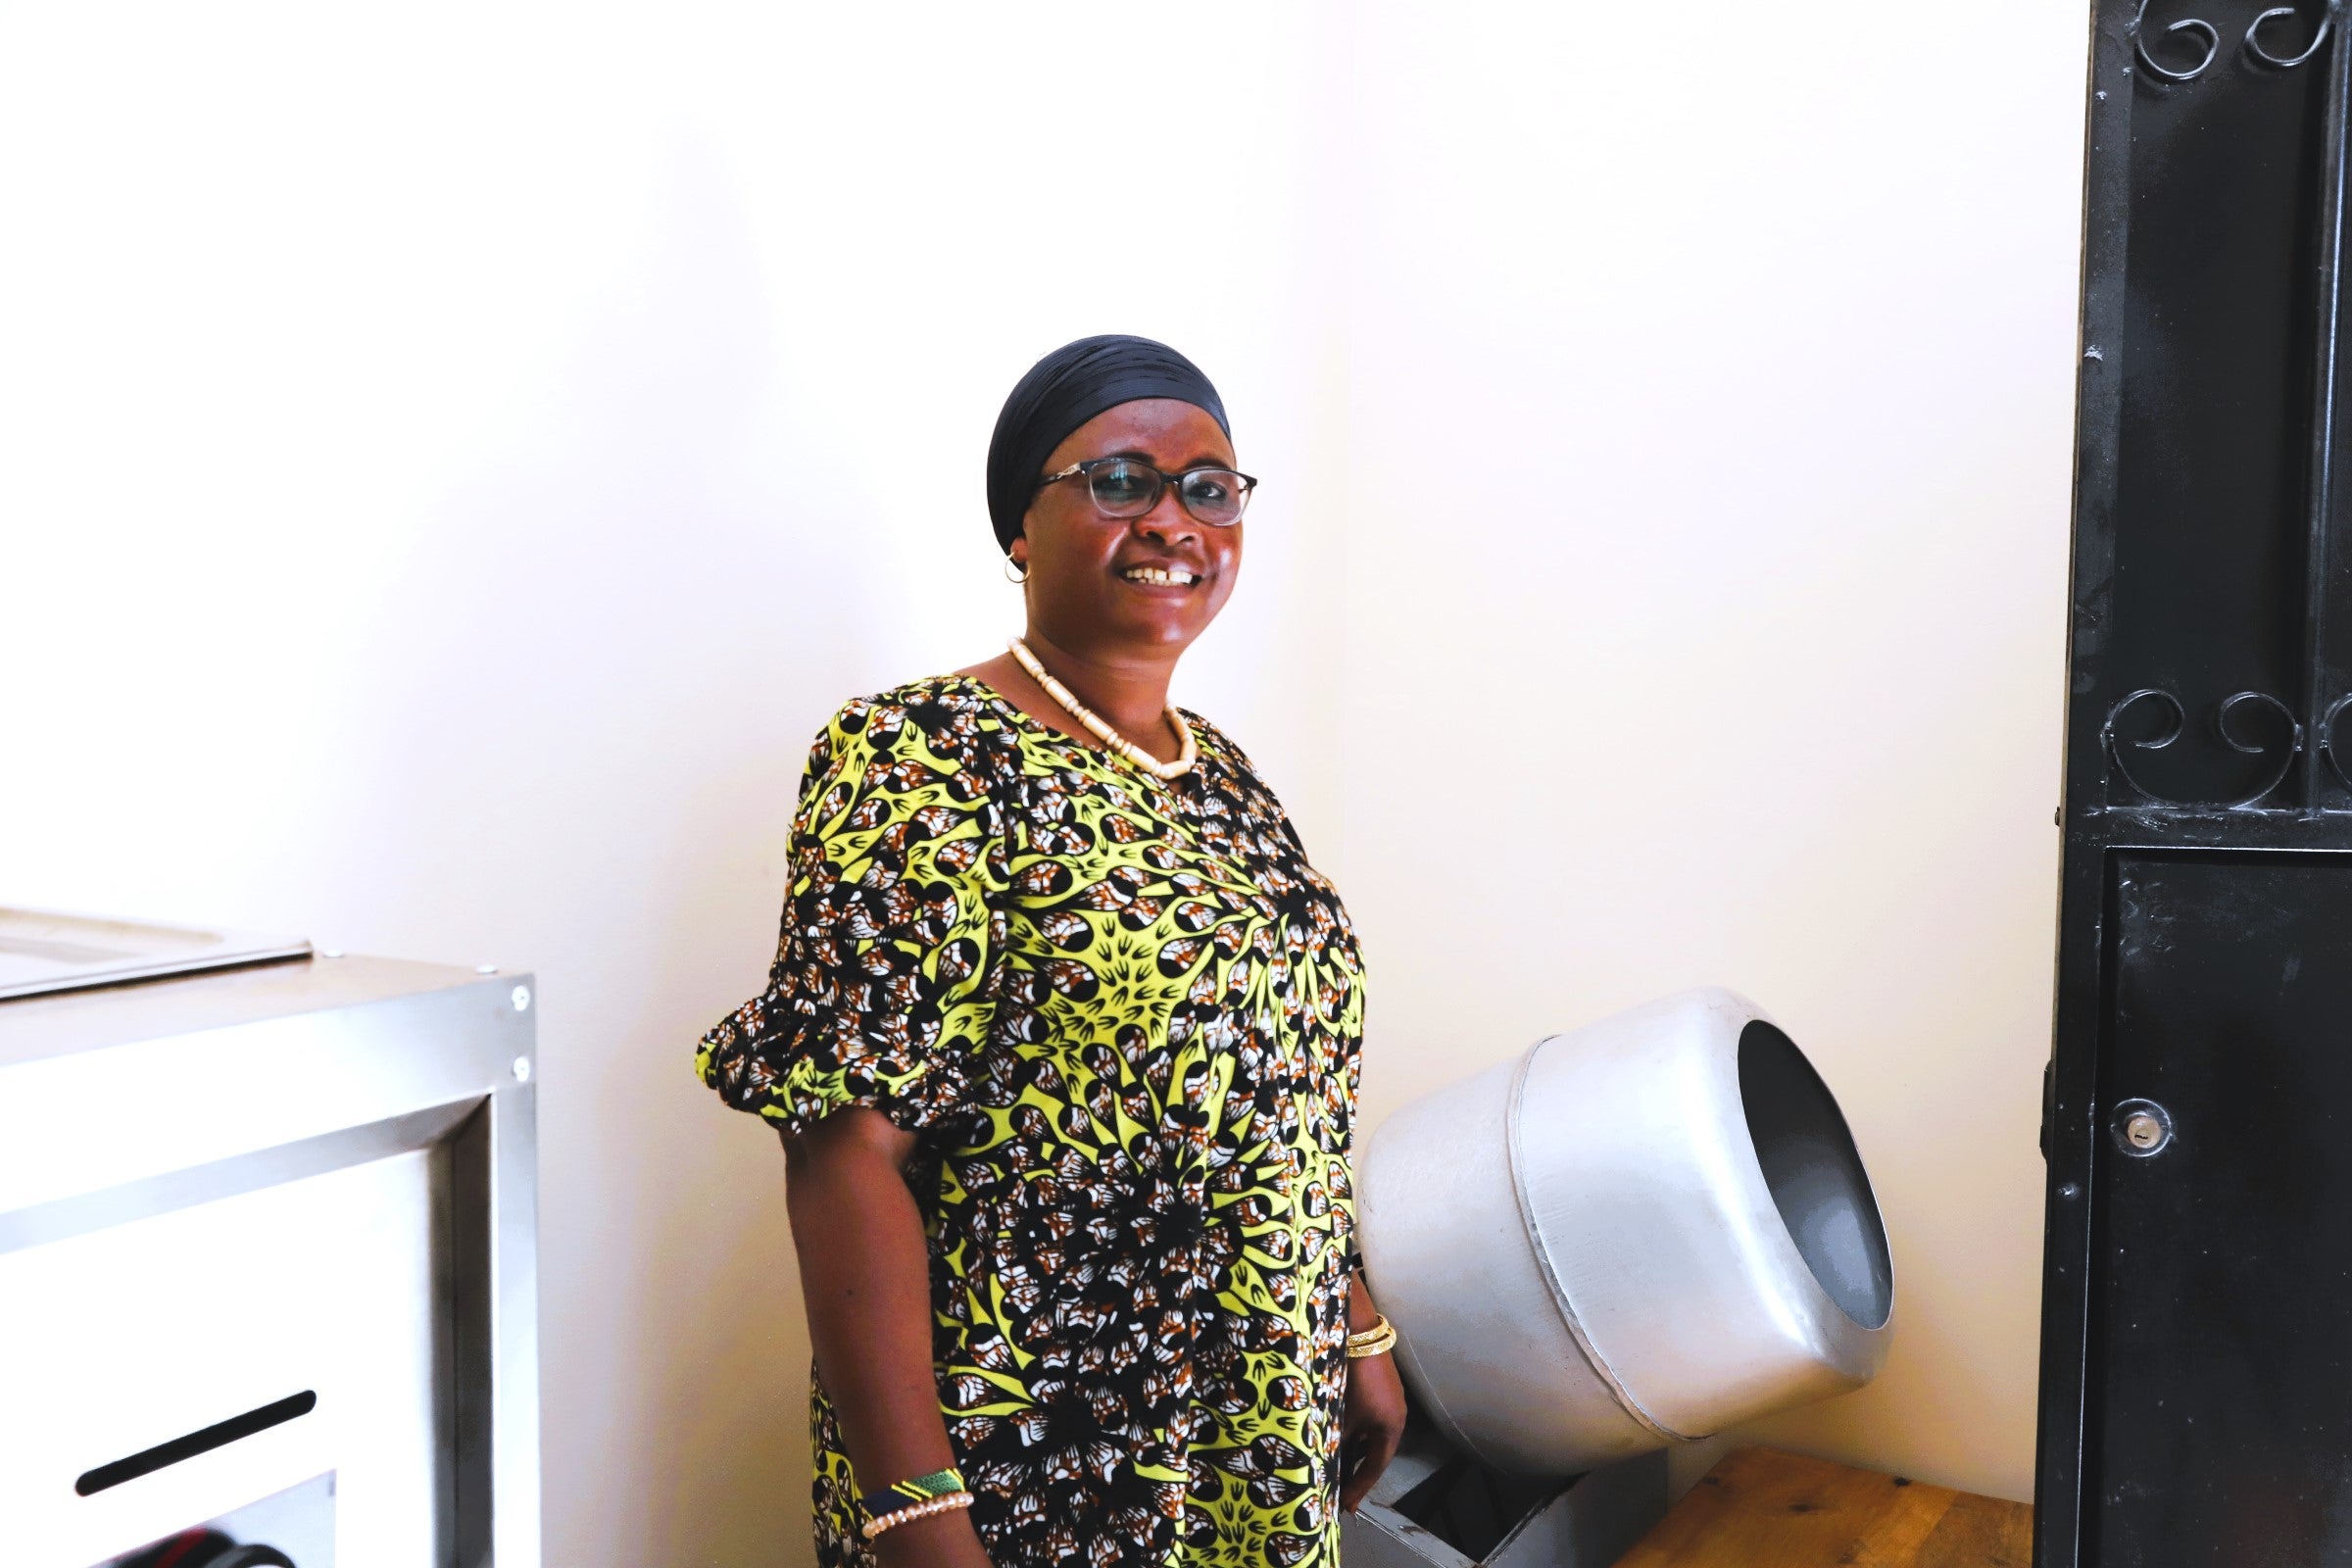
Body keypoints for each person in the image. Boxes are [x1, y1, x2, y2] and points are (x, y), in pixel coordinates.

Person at [696, 334, 1403, 1567]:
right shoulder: (920, 756)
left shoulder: (1226, 779)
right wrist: (917, 1511)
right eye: (1121, 480)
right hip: (1039, 1449)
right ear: (1020, 525)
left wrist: (1354, 1325)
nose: (1174, 518)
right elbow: (847, 1148)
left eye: (1210, 486)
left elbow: (1284, 1084)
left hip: (1251, 1425)